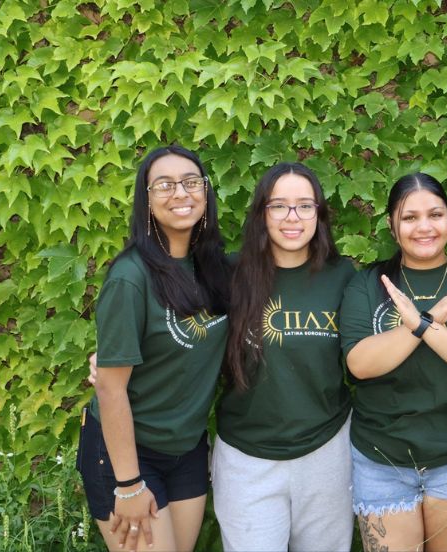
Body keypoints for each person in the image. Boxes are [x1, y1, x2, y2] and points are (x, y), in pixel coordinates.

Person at [339, 173, 447, 551]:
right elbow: (360, 364)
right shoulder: (367, 285)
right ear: (392, 225)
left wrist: (421, 324)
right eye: (409, 217)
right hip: (381, 456)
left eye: (435, 214)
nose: (424, 227)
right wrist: (423, 324)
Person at [77, 145, 232, 552]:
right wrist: (128, 485)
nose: (180, 193)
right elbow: (110, 388)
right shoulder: (131, 277)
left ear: (206, 192)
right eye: (164, 185)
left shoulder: (215, 268)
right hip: (128, 453)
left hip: (187, 449)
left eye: (191, 182)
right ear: (146, 200)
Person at [212, 162, 356, 551]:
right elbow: (181, 338)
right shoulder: (227, 275)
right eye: (279, 206)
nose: (292, 217)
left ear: (320, 215)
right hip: (247, 457)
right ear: (262, 214)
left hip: (326, 450)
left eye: (305, 206)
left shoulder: (344, 277)